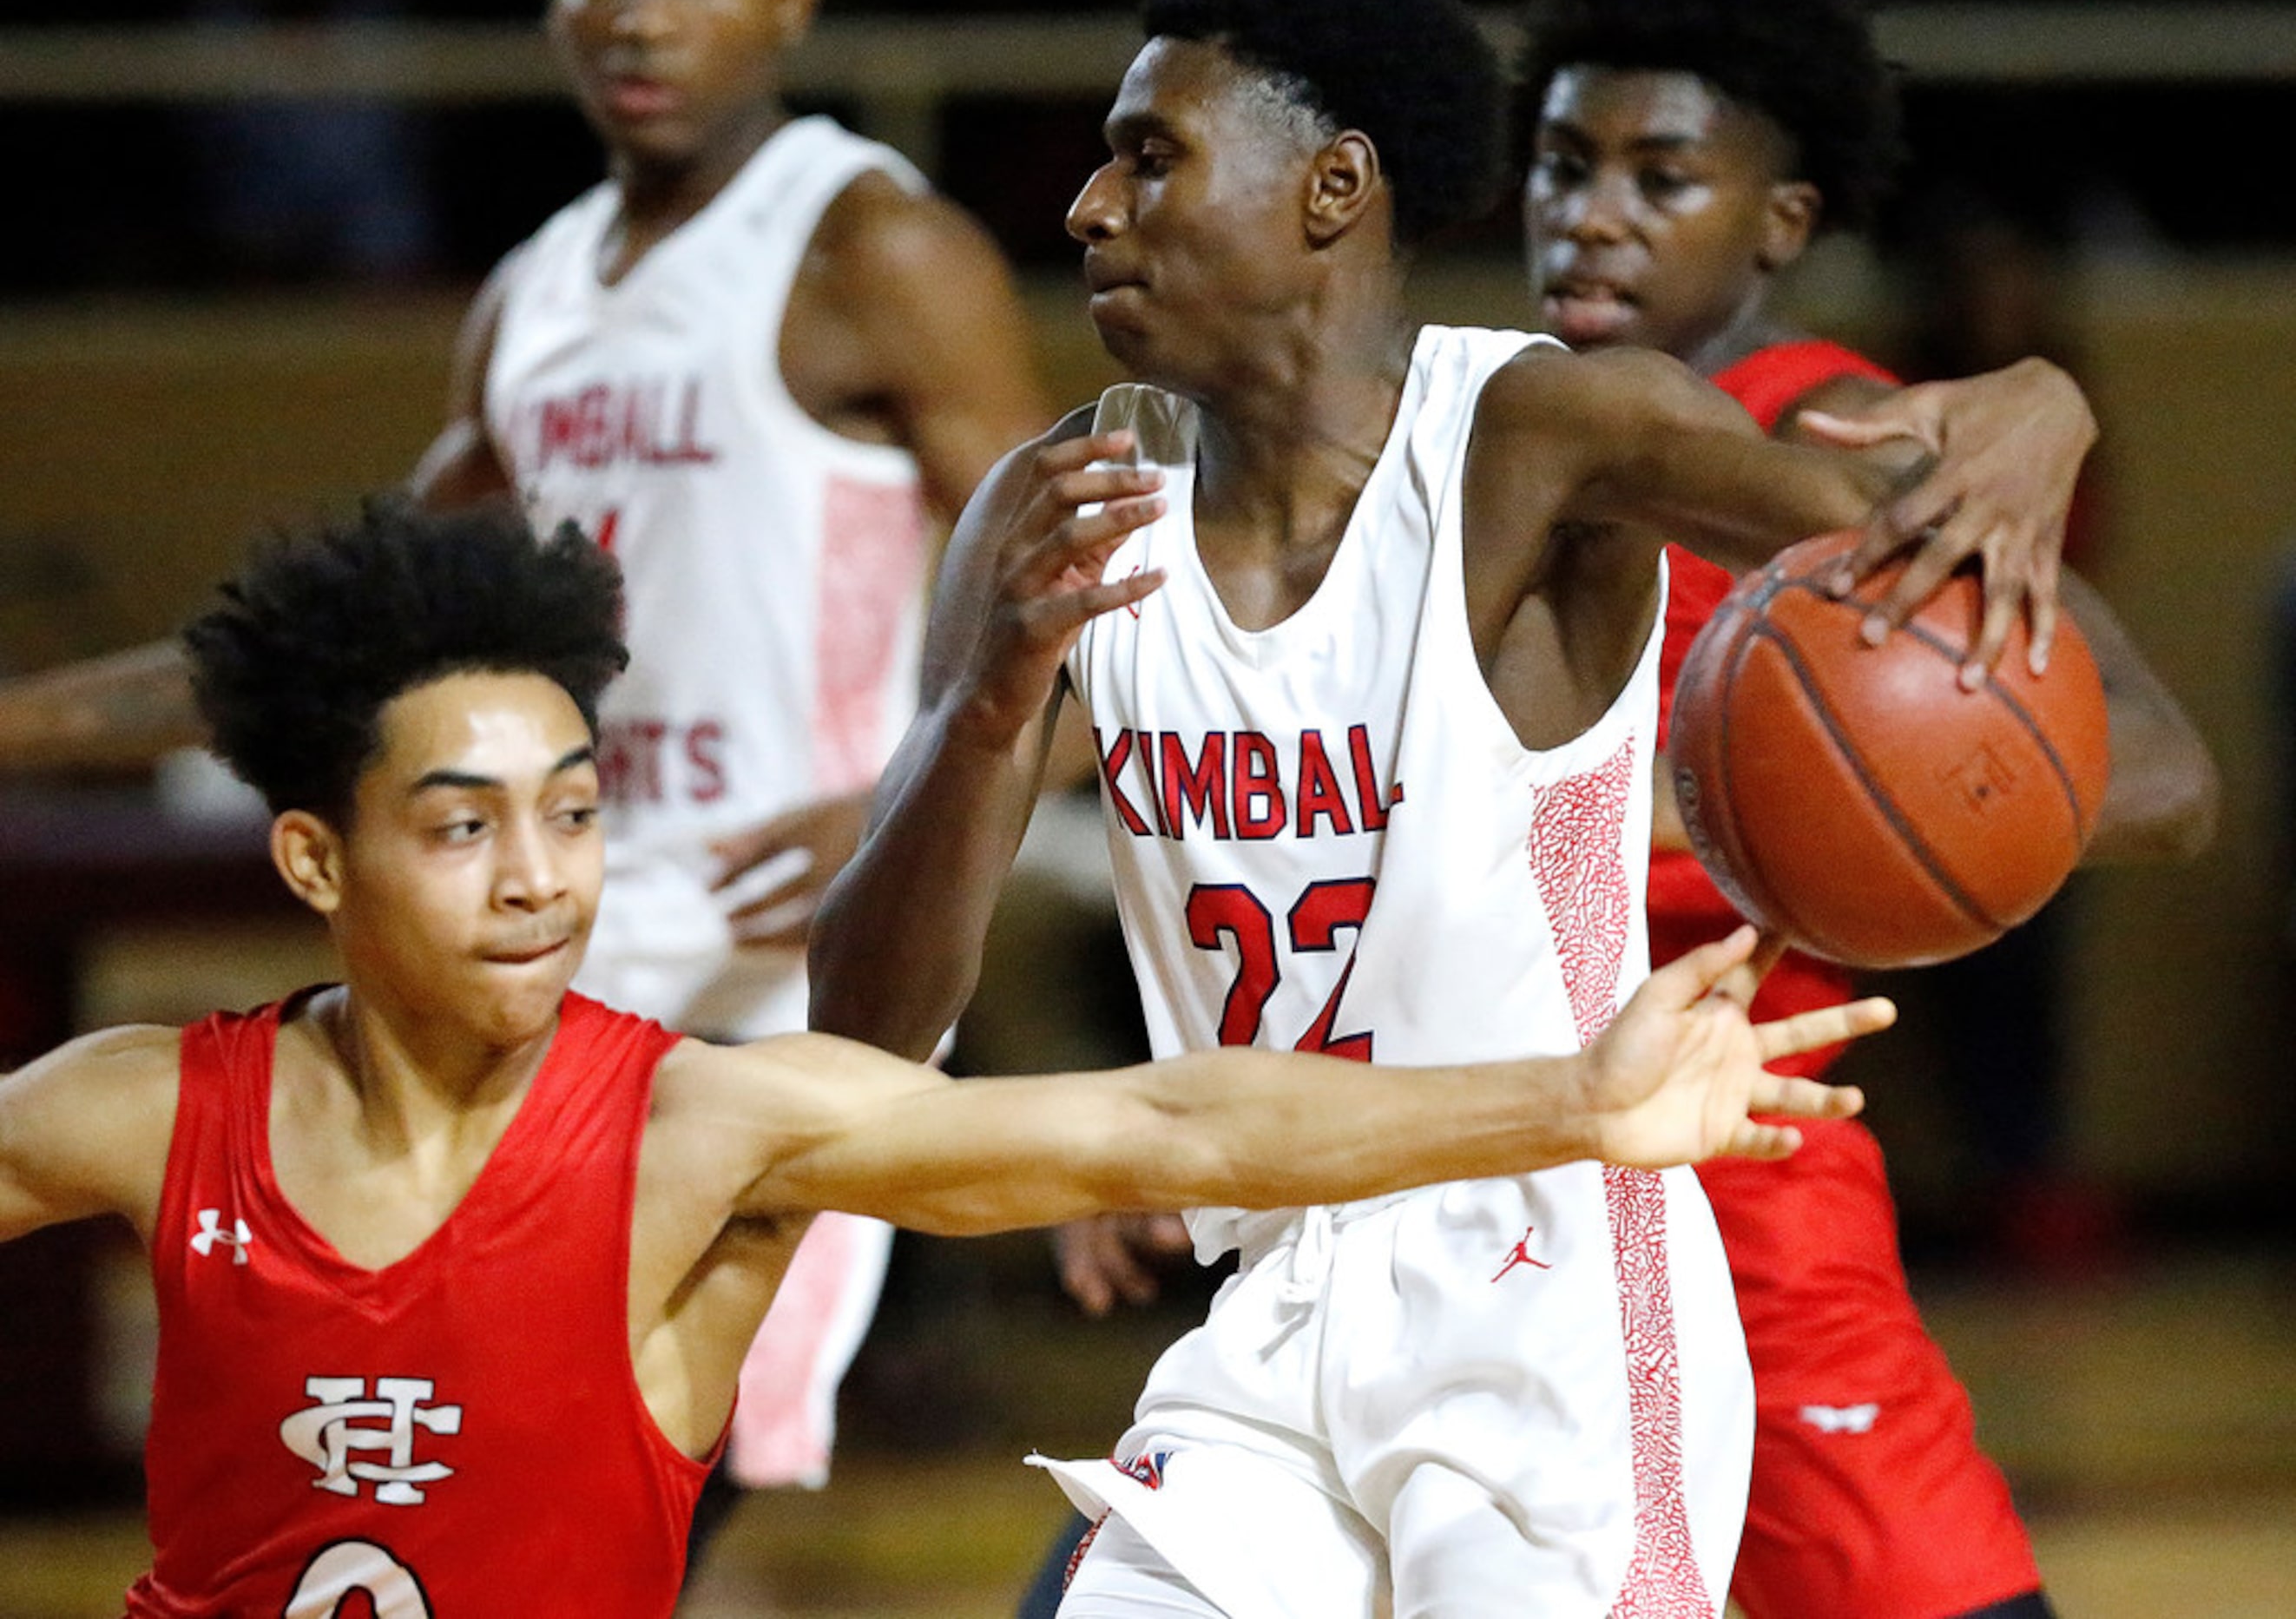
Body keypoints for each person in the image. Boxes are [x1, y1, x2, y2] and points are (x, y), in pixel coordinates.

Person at [0, 495, 1885, 1616]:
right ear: (318, 860)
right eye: (464, 827)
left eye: (573, 816)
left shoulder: (694, 1125)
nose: (537, 882)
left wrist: (1569, 1100)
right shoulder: (147, 1106)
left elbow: (1160, 1122)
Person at [807, 0, 2098, 1612]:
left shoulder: (1541, 429)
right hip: (1271, 1295)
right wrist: (990, 701)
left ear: (1332, 188)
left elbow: (1907, 525)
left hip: (1545, 1294)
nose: (1087, 207)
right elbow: (860, 1030)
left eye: (1151, 157)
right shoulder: (1059, 503)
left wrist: (2039, 402)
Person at [0, 0, 1056, 1531]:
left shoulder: (873, 247)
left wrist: (919, 803)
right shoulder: (535, 293)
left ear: (793, 4)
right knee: (486, 1508)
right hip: (551, 957)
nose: (635, 15)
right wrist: (23, 721)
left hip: (778, 991)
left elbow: (1083, 614)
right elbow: (337, 632)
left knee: (608, 1496)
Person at [1516, 0, 2220, 1616]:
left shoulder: (1840, 443)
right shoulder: (1495, 431)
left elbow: (2167, 772)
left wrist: (1778, 819)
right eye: (1564, 163)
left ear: (1780, 222)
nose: (1594, 210)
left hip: (1737, 1174)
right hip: (1461, 1150)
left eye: (1658, 175)